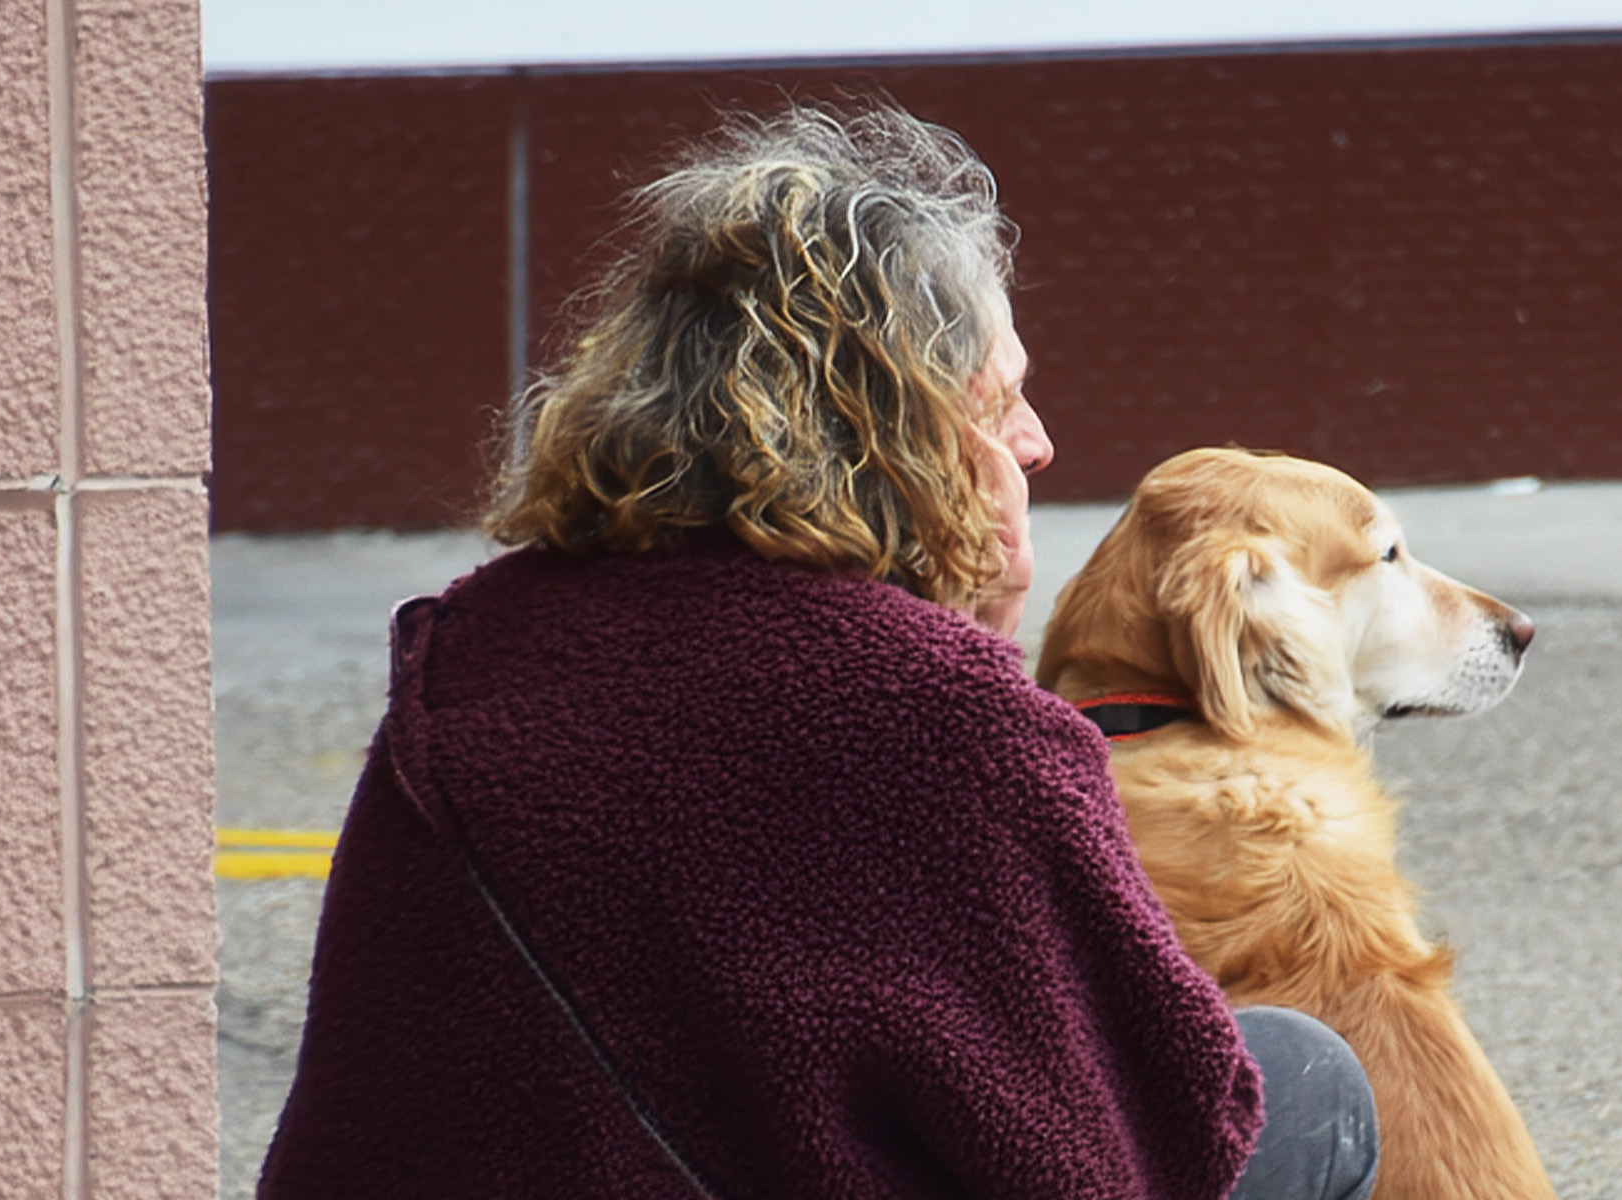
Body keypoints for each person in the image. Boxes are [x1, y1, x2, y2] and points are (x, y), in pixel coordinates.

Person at [257, 103, 1377, 1200]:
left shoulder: (474, 649)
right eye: (1001, 401)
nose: (1037, 444)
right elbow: (1115, 1153)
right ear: (893, 431)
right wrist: (975, 664)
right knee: (1308, 1080)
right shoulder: (940, 719)